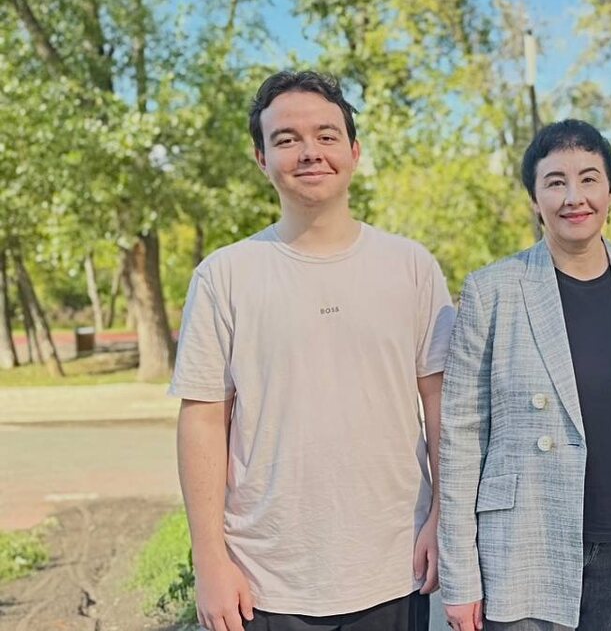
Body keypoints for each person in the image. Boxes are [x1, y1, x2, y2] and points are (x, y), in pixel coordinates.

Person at [171, 70, 454, 631]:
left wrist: (444, 517)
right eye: (286, 139)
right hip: (263, 577)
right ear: (261, 158)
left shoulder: (411, 267)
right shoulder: (225, 275)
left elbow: (441, 402)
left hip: (393, 564)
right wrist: (209, 560)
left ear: (354, 152)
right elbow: (202, 419)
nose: (309, 152)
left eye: (326, 136)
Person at [438, 119, 611, 631]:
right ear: (535, 199)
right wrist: (460, 576)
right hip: (524, 544)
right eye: (555, 182)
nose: (574, 197)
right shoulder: (492, 291)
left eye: (589, 179)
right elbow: (460, 438)